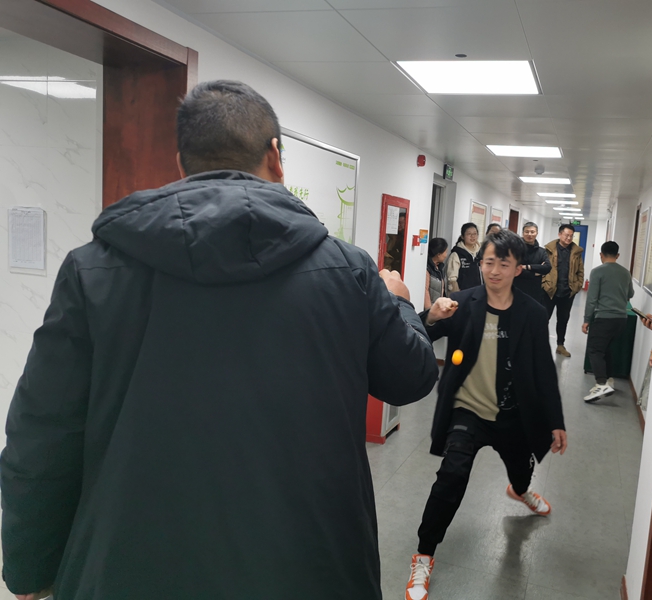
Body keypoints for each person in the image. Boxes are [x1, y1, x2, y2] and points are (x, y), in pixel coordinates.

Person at [0, 80, 440, 600]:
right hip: (308, 567)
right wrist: (400, 301)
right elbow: (411, 377)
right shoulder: (349, 272)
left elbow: (43, 433)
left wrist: (31, 567)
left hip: (131, 567)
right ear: (275, 157)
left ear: (181, 163)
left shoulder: (92, 269)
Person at [406, 230, 567, 600]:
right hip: (468, 410)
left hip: (513, 414)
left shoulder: (532, 313)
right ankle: (424, 554)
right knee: (451, 476)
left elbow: (544, 370)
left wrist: (556, 421)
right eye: (489, 262)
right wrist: (430, 316)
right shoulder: (463, 303)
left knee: (521, 470)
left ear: (517, 269)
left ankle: (521, 490)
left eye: (503, 264)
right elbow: (419, 333)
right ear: (481, 263)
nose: (494, 271)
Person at [581, 241, 635, 402]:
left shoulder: (597, 272)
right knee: (607, 349)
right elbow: (630, 294)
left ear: (601, 255)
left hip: (604, 318)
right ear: (617, 255)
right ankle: (609, 380)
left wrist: (586, 320)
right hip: (621, 319)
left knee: (595, 350)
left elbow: (592, 298)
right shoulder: (626, 273)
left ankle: (601, 383)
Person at [542, 224, 585, 357]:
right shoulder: (548, 250)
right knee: (543, 318)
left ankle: (560, 345)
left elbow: (580, 271)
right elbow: (542, 267)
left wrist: (577, 286)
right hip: (550, 291)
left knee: (563, 320)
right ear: (560, 234)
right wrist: (544, 283)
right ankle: (540, 345)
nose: (569, 238)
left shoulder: (576, 252)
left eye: (571, 236)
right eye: (566, 235)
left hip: (567, 292)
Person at [514, 221, 550, 305]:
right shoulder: (515, 250)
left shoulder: (541, 251)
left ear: (537, 233)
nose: (529, 234)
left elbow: (547, 267)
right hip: (516, 290)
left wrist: (527, 267)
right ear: (523, 233)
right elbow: (514, 270)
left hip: (535, 293)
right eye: (527, 232)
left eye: (532, 232)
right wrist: (535, 273)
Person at [446, 222, 481, 294]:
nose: (472, 236)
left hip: (479, 294)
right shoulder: (456, 254)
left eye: (475, 234)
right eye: (469, 234)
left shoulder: (481, 252)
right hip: (464, 294)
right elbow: (452, 280)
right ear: (462, 236)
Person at [425, 237, 448, 310]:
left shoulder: (440, 268)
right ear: (439, 254)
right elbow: (425, 291)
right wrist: (429, 310)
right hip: (430, 310)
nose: (446, 255)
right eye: (445, 252)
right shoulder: (427, 269)